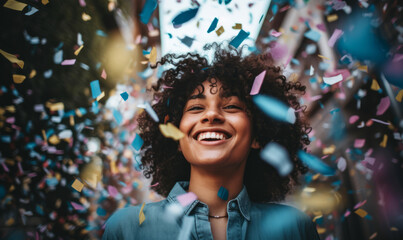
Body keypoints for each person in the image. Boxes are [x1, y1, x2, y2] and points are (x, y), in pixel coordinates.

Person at [102, 45, 320, 240]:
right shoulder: (126, 229)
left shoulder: (295, 229)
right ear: (177, 138)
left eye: (231, 106)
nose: (212, 115)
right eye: (196, 108)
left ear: (257, 136)